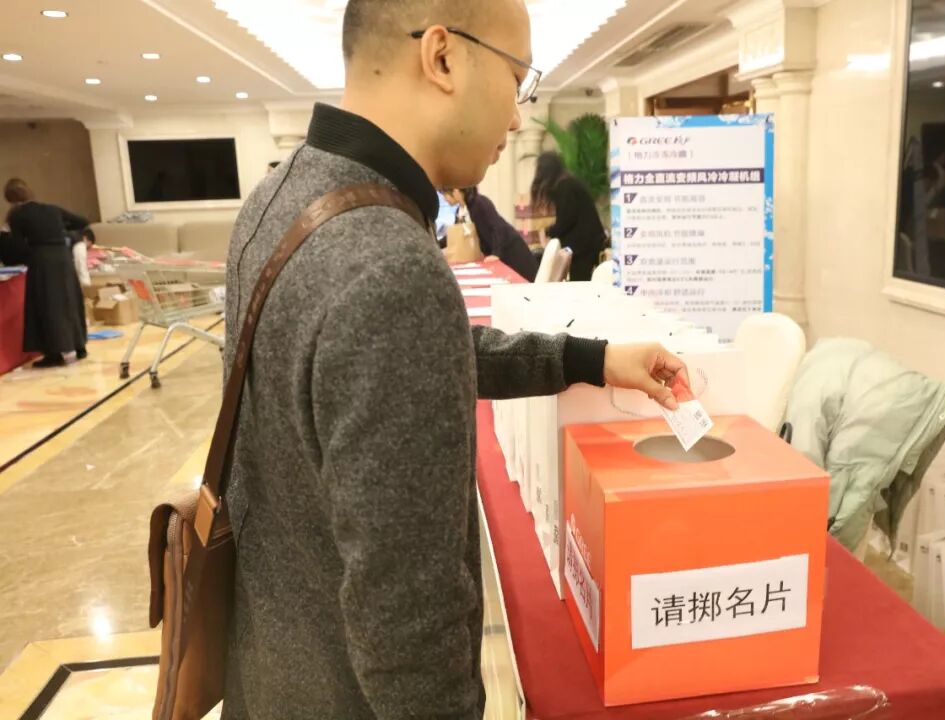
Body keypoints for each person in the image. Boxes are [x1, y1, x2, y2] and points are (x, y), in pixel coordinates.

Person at [219, 1, 689, 717]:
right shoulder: (389, 264)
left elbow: (401, 361)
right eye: (517, 79)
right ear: (442, 57)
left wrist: (591, 359)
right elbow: (408, 620)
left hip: (274, 669)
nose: (518, 118)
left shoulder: (277, 197)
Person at [4, 179, 88, 368]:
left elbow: (17, 245)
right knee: (69, 301)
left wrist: (26, 255)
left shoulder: (17, 215)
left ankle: (54, 353)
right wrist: (62, 233)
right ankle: (79, 346)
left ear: (10, 198)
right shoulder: (51, 209)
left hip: (42, 260)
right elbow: (82, 221)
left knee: (47, 305)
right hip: (63, 258)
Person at [531, 151, 606, 281]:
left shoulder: (565, 187)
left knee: (579, 282)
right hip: (588, 242)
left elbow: (566, 220)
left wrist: (548, 231)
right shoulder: (568, 184)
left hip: (584, 246)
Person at [444, 186, 539, 281]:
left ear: (456, 191)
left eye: (445, 194)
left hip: (510, 249)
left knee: (525, 280)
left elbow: (497, 227)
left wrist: (496, 253)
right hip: (496, 251)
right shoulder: (461, 211)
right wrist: (438, 244)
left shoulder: (480, 202)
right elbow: (455, 233)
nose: (445, 199)